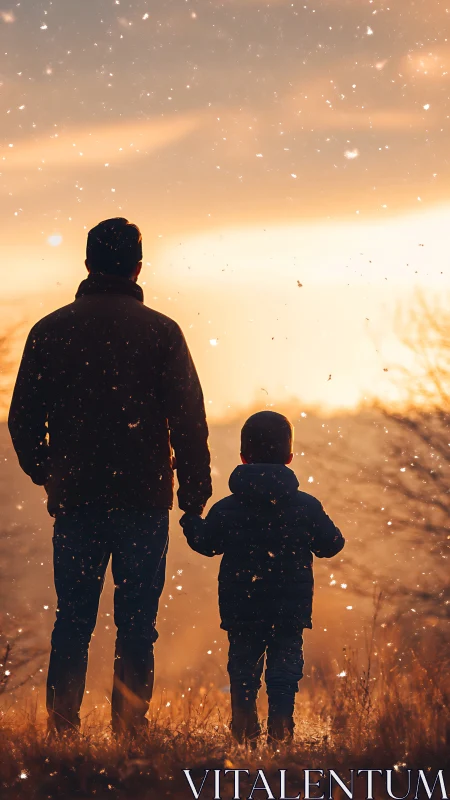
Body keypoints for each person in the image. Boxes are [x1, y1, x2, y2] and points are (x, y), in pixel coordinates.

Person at [8, 217, 212, 737]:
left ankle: (62, 729)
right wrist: (194, 495)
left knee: (73, 621)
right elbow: (188, 419)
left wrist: (49, 472)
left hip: (77, 498)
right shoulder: (162, 332)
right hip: (143, 498)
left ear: (87, 264)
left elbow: (23, 419)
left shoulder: (50, 330)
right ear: (138, 268)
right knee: (137, 624)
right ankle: (130, 730)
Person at [181, 410, 344, 746]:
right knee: (284, 672)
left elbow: (207, 544)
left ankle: (244, 733)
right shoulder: (306, 506)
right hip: (289, 610)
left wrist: (191, 518)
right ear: (289, 457)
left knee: (243, 671)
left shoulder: (226, 508)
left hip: (242, 607)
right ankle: (281, 733)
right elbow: (331, 545)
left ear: (243, 456)